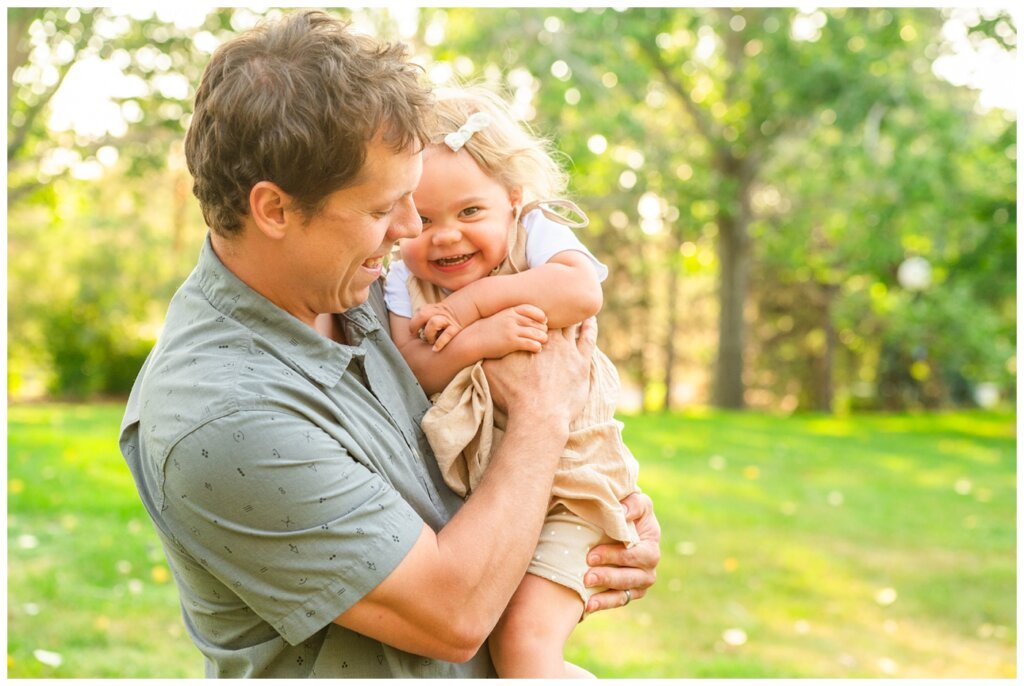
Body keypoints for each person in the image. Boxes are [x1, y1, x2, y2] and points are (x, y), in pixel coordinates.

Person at [117, 9, 661, 679]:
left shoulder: (360, 280)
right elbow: (452, 614)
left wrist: (601, 519)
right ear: (274, 210)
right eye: (383, 210)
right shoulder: (223, 419)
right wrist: (545, 417)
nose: (411, 231)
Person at [382, 86, 641, 677]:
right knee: (499, 650)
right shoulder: (402, 277)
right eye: (423, 219)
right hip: (487, 493)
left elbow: (581, 292)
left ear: (514, 199)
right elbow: (412, 366)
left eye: (470, 212)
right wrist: (478, 341)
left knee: (524, 651)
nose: (445, 236)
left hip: (571, 485)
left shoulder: (538, 234)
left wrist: (473, 305)